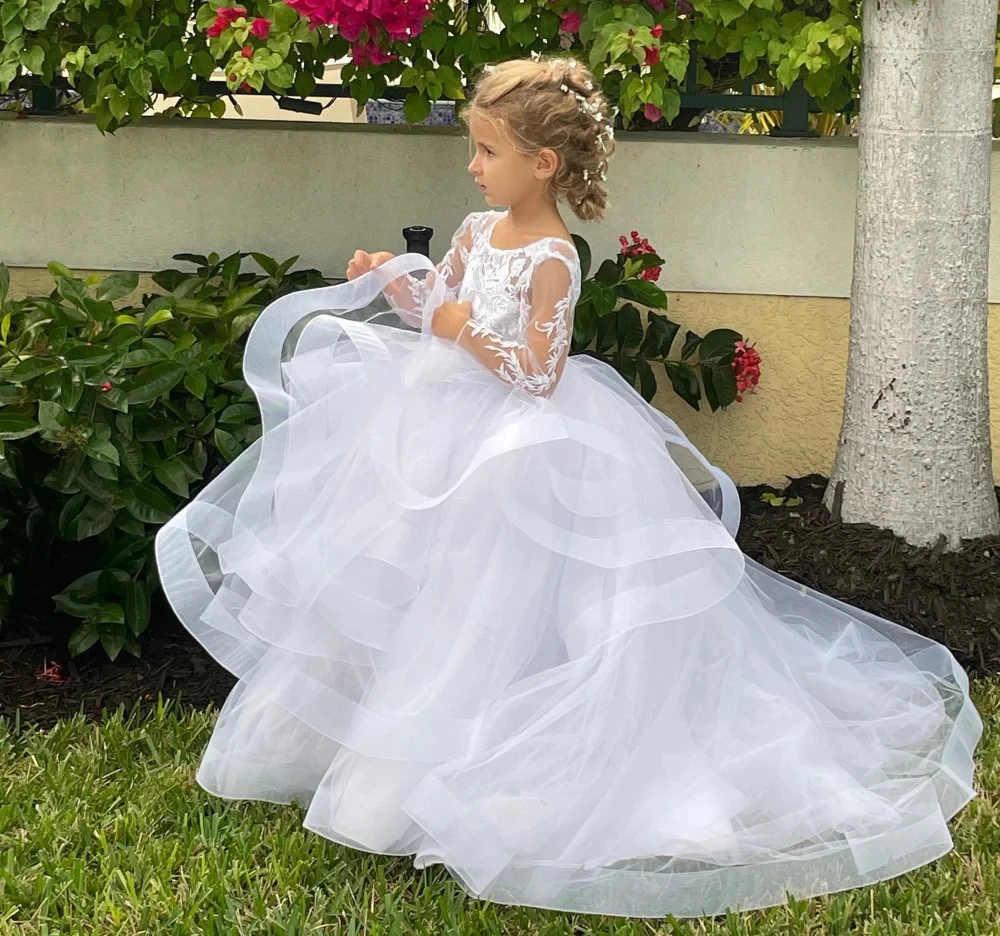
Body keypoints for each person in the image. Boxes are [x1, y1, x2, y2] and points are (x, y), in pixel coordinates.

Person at [155, 56, 981, 919]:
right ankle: (404, 760)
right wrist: (401, 285)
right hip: (441, 427)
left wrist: (451, 319)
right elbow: (442, 309)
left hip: (522, 446)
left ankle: (509, 763)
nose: (473, 166)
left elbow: (537, 369)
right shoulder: (478, 232)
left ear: (542, 164)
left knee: (511, 599)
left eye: (487, 151)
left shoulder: (553, 253)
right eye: (474, 151)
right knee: (439, 599)